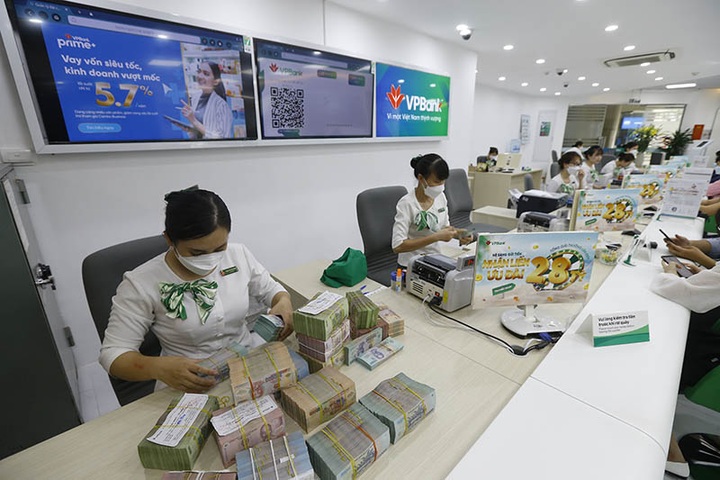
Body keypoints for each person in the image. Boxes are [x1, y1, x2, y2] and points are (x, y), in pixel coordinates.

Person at [99, 189, 293, 393]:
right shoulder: (141, 283)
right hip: (186, 381)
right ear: (169, 239)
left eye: (219, 248)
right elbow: (113, 354)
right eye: (197, 253)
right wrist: (158, 368)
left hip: (246, 364)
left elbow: (272, 290)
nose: (210, 259)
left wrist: (283, 301)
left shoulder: (238, 254)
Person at [392, 153, 472, 268]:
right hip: (411, 264)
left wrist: (458, 234)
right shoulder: (407, 203)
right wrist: (435, 237)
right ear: (421, 178)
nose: (441, 187)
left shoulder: (440, 197)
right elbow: (398, 246)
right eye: (437, 182)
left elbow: (443, 228)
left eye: (443, 182)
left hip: (434, 260)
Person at [181, 61, 233, 139]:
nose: (200, 76)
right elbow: (199, 127)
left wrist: (193, 120)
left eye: (206, 74)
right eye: (199, 71)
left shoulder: (222, 106)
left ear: (215, 82)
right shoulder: (195, 97)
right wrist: (191, 129)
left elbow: (221, 138)